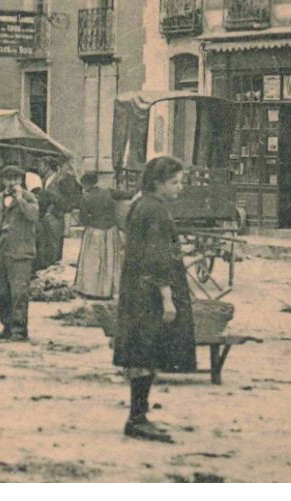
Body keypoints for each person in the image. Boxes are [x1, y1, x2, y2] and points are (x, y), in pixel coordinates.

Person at [113, 156, 195, 443]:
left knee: (141, 352)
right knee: (146, 352)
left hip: (136, 290)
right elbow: (157, 258)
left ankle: (139, 415)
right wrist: (167, 297)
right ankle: (137, 418)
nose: (179, 188)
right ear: (158, 183)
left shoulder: (141, 204)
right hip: (148, 294)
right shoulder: (156, 210)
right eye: (174, 182)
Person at [0, 164, 40, 343]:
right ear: (2, 180)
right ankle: (6, 326)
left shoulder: (30, 197)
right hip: (2, 251)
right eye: (8, 179)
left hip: (21, 251)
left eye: (16, 179)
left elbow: (33, 216)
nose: (12, 183)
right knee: (2, 291)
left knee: (19, 292)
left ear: (21, 180)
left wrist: (20, 199)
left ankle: (19, 330)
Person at [73, 172, 122, 300]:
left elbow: (83, 219)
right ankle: (108, 290)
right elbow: (126, 195)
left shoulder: (85, 198)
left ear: (85, 184)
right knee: (109, 260)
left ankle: (91, 290)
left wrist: (92, 222)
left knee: (93, 261)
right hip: (111, 230)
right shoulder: (108, 192)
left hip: (94, 231)